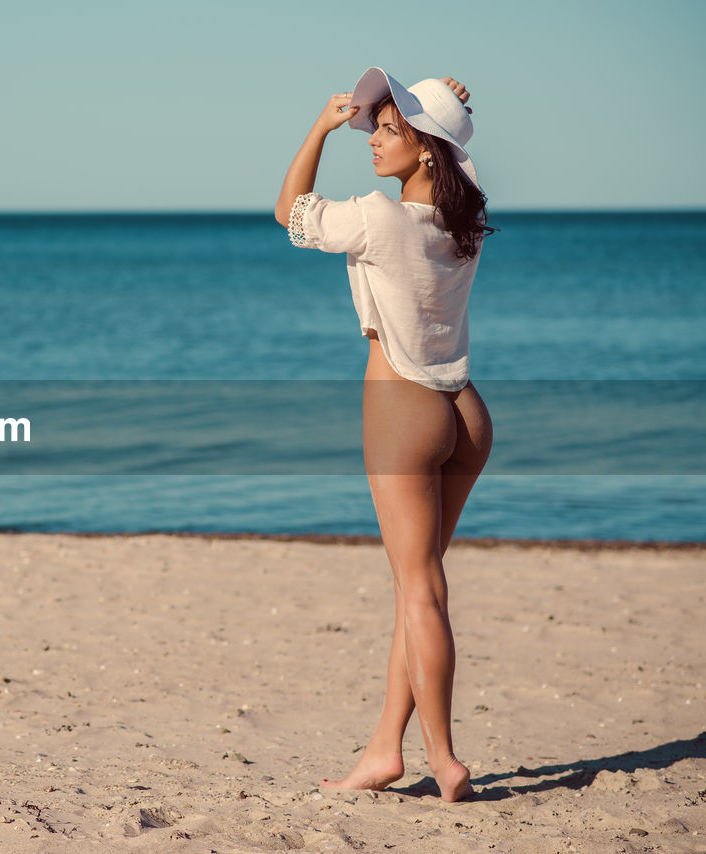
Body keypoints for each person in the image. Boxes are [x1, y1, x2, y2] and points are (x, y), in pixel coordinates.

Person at [274, 68, 495, 802]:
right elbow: (455, 161)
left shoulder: (377, 216)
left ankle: (444, 757)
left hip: (404, 410)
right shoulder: (464, 226)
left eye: (389, 131)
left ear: (426, 151)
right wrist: (440, 113)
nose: (371, 139)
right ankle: (382, 750)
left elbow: (291, 212)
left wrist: (318, 126)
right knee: (418, 589)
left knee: (418, 590)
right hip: (465, 413)